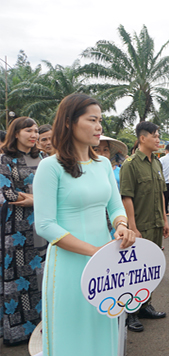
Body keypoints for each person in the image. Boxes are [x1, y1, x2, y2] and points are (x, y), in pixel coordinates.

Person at [33, 93, 136, 355]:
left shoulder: (102, 164)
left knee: (103, 326)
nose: (99, 126)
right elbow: (45, 224)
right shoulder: (50, 167)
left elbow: (115, 206)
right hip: (69, 265)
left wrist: (121, 225)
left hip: (105, 261)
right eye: (92, 119)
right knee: (71, 333)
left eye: (100, 120)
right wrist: (93, 251)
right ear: (69, 122)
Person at [120, 121, 169, 332]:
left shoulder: (156, 163)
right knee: (134, 269)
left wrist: (165, 220)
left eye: (158, 135)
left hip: (157, 223)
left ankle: (145, 306)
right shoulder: (130, 164)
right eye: (154, 135)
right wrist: (133, 226)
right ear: (142, 138)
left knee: (150, 268)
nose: (158, 139)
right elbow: (126, 197)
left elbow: (160, 193)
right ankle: (130, 313)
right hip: (140, 225)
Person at [0, 117, 45, 346]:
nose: (34, 134)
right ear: (16, 133)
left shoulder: (43, 158)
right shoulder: (5, 159)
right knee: (19, 279)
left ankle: (41, 327)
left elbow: (52, 189)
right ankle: (18, 333)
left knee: (41, 278)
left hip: (44, 225)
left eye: (36, 130)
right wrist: (39, 199)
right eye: (29, 130)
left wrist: (33, 200)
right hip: (17, 229)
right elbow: (7, 194)